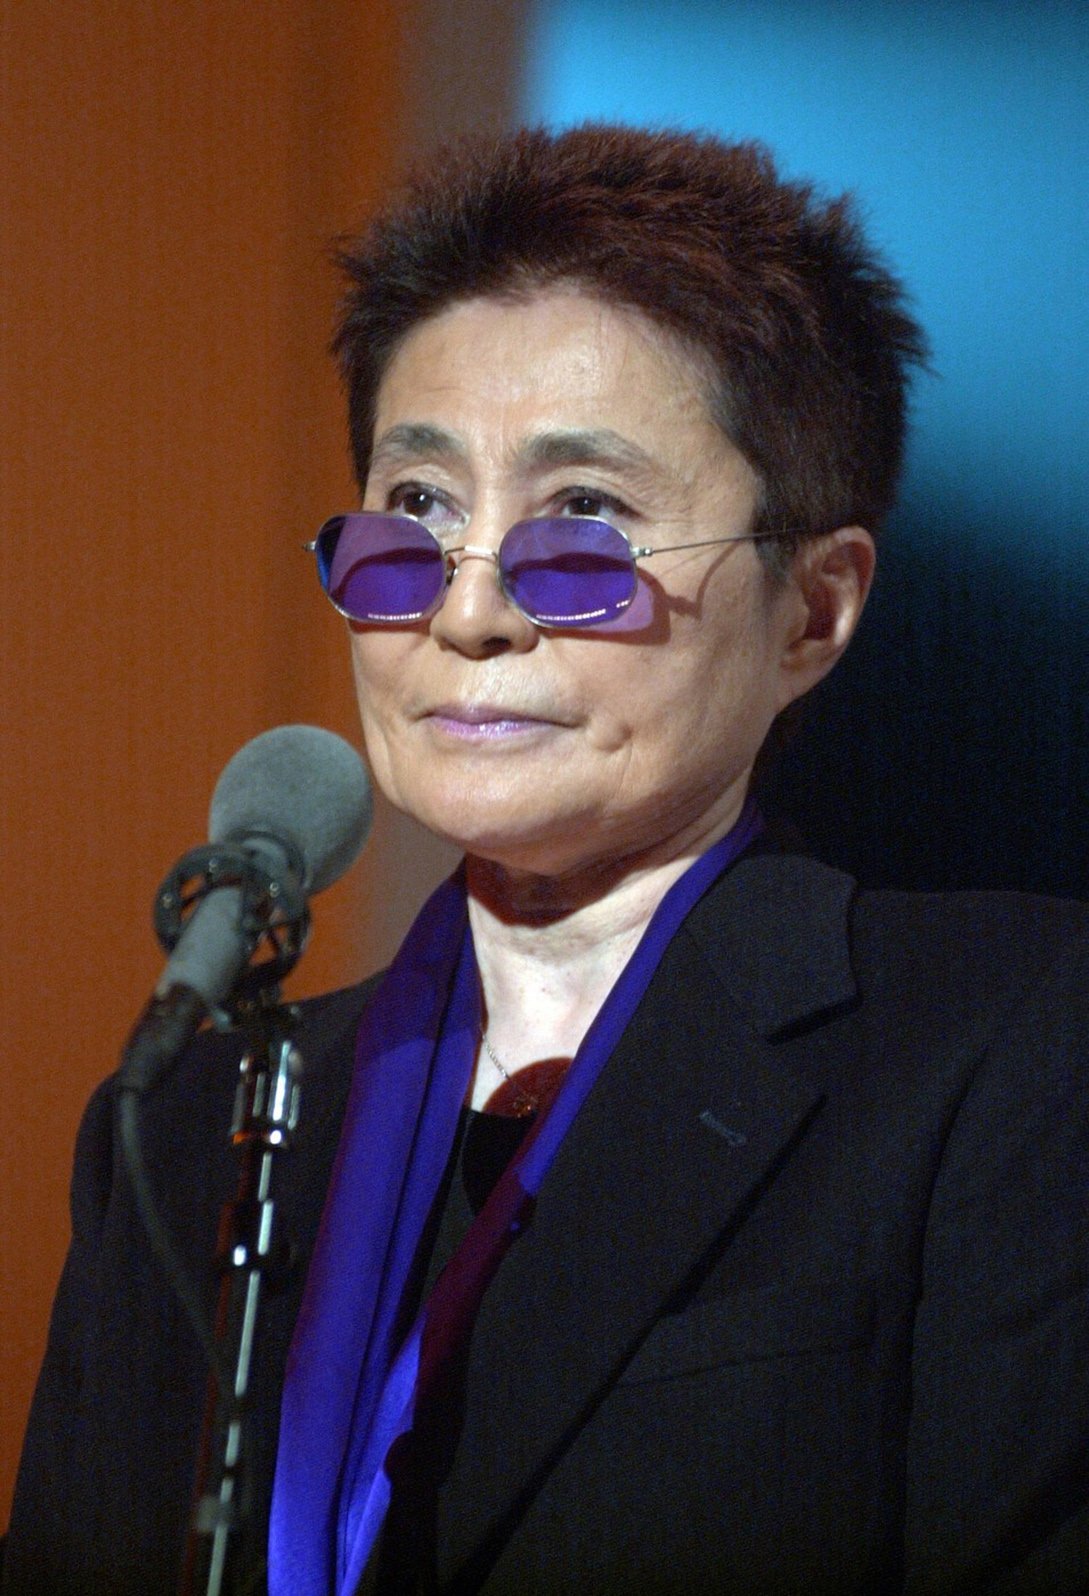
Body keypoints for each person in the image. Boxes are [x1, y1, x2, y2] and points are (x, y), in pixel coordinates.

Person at [4, 124, 1087, 1596]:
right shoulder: (193, 1121)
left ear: (813, 612)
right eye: (418, 513)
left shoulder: (1003, 1041)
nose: (468, 614)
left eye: (586, 523)